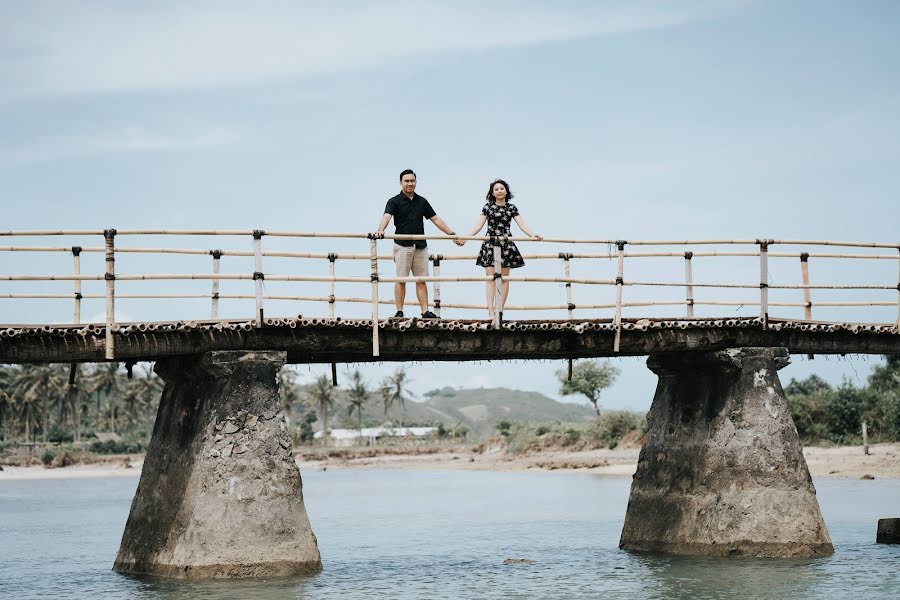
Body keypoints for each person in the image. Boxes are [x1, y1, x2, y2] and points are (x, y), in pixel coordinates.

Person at [375, 169, 463, 319]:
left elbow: (435, 219)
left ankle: (424, 311)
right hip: (402, 244)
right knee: (401, 279)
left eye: (412, 181)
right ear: (401, 182)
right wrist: (380, 230)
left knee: (421, 280)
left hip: (420, 245)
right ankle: (399, 311)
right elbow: (387, 216)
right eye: (406, 181)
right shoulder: (394, 201)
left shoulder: (422, 201)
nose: (410, 183)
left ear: (415, 182)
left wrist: (451, 234)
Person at [460, 179, 542, 321]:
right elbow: (478, 226)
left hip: (506, 244)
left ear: (506, 191)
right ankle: (491, 311)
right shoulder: (488, 207)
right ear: (492, 193)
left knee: (504, 279)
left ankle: (500, 310)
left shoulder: (512, 208)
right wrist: (466, 238)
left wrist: (532, 235)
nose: (499, 191)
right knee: (490, 279)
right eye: (496, 189)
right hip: (490, 244)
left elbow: (522, 225)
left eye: (501, 188)